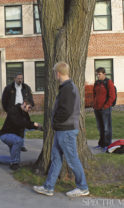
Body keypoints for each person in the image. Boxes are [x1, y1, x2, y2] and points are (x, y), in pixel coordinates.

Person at [33, 62, 89, 197]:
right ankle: (48, 187)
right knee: (56, 158)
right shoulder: (67, 87)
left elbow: (66, 110)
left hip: (66, 130)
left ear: (58, 73)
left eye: (55, 73)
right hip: (63, 130)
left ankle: (83, 187)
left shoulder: (68, 88)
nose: (54, 75)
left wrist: (56, 122)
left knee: (72, 159)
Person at [0, 100, 42, 170]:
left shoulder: (25, 113)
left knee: (15, 159)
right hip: (6, 135)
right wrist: (33, 124)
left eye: (31, 108)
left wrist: (38, 127)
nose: (29, 110)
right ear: (24, 103)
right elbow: (18, 123)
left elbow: (28, 124)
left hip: (15, 137)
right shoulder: (13, 110)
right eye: (29, 107)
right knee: (19, 142)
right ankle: (14, 165)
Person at [2, 73, 34, 152]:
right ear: (15, 79)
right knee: (12, 128)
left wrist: (29, 105)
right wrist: (8, 110)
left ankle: (21, 145)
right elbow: (4, 101)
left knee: (22, 128)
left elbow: (30, 99)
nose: (20, 80)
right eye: (18, 78)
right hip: (13, 110)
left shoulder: (26, 88)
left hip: (22, 110)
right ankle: (13, 144)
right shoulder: (8, 88)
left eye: (21, 78)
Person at [93, 67, 116, 151]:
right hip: (97, 109)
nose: (98, 76)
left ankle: (107, 145)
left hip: (105, 109)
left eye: (99, 74)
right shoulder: (97, 83)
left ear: (104, 74)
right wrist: (94, 105)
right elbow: (94, 94)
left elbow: (112, 96)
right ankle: (101, 144)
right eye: (97, 74)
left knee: (106, 128)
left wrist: (105, 106)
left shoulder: (108, 82)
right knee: (100, 127)